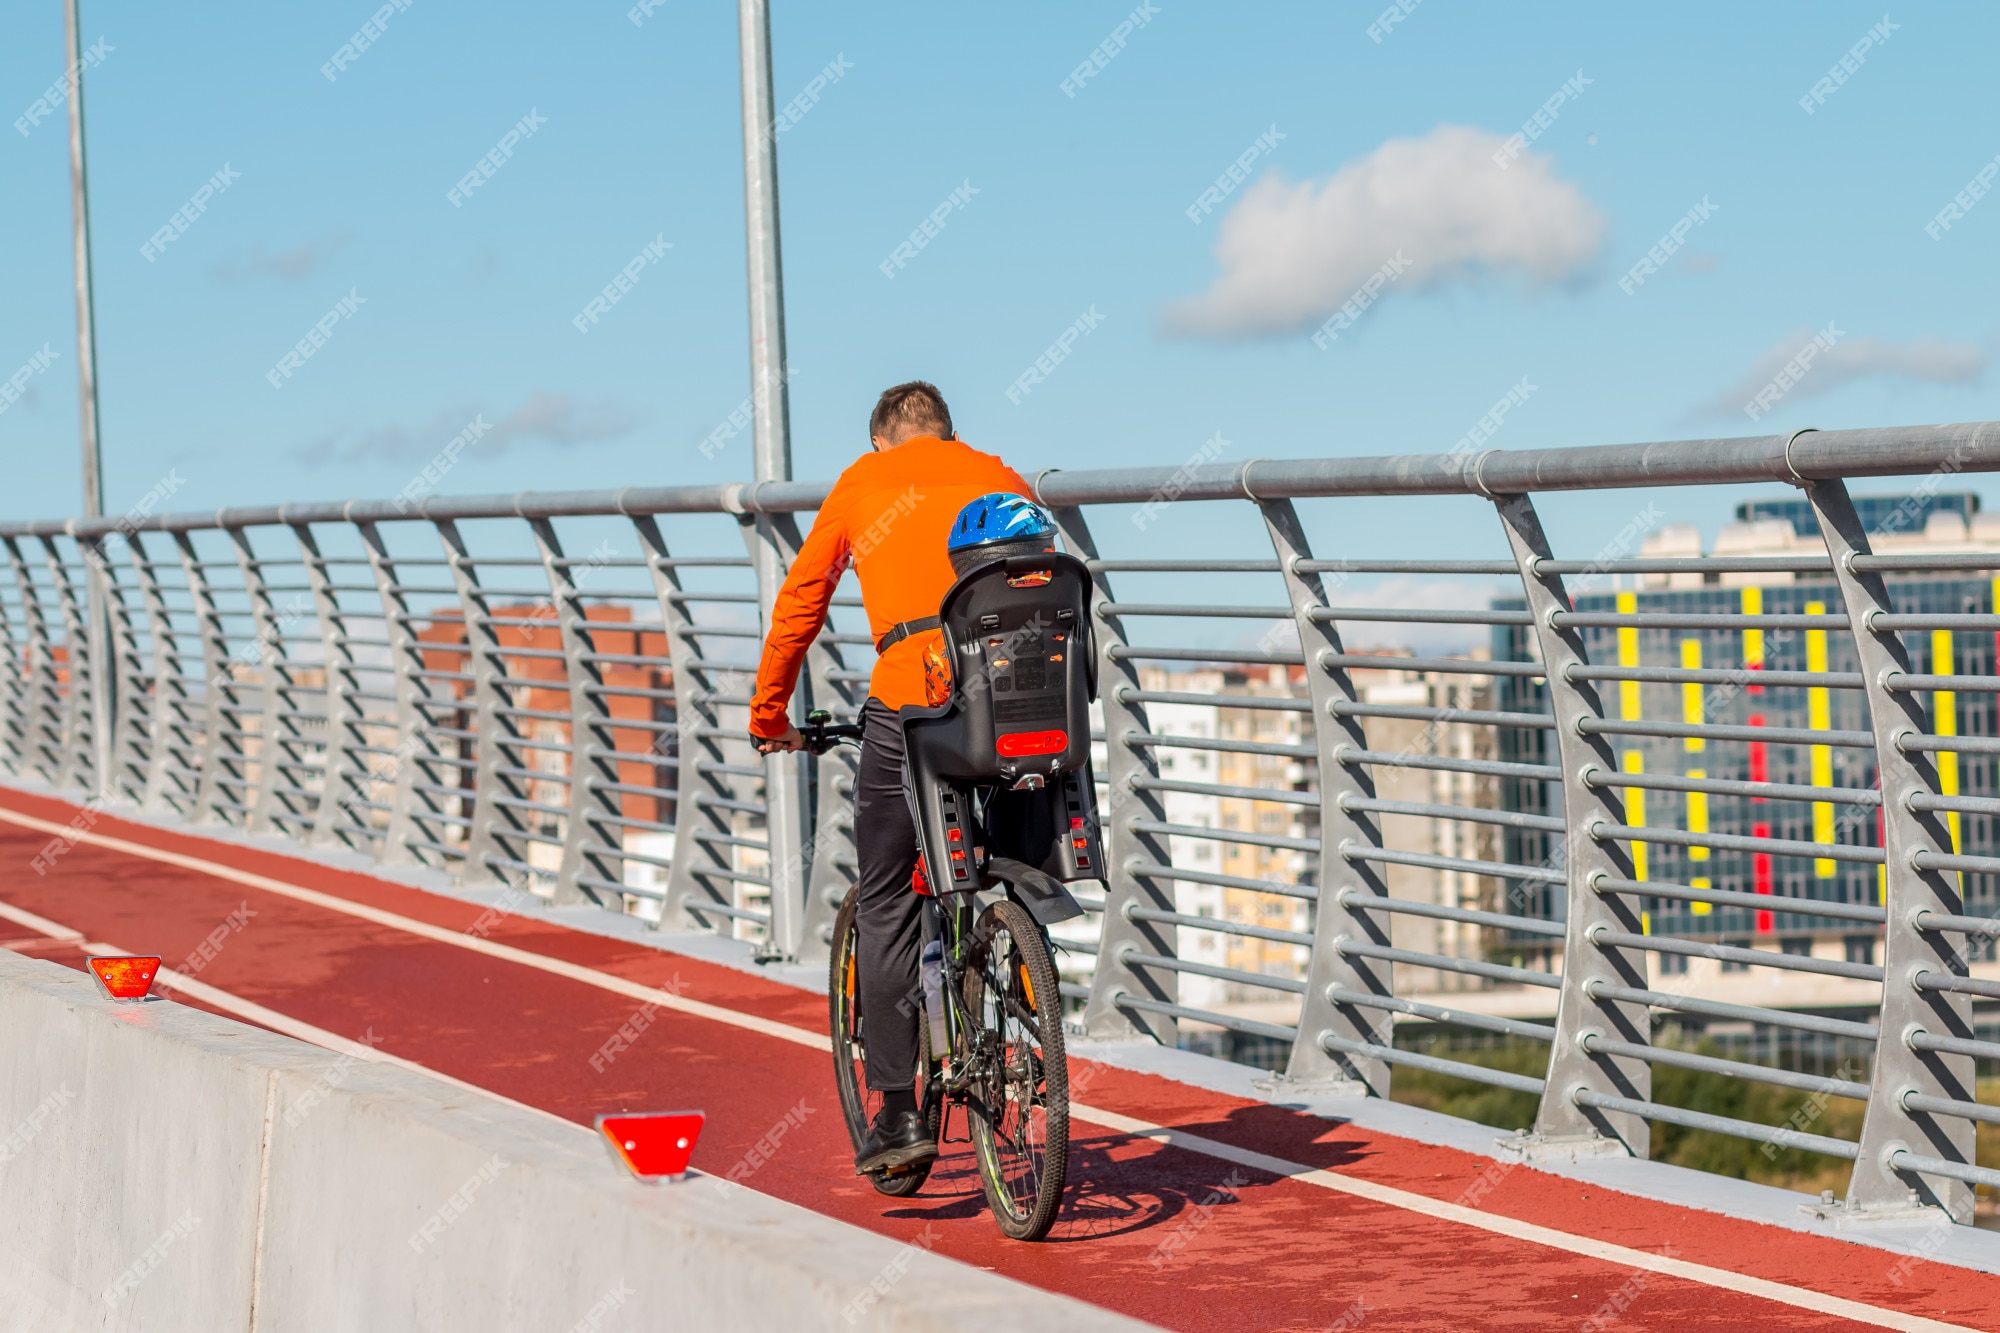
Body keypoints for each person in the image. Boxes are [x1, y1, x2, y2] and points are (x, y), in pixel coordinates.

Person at [749, 381, 1041, 1174]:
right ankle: (1016, 969)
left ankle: (902, 1114)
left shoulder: (863, 481)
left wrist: (769, 713)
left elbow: (802, 599)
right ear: (949, 433)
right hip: (1017, 707)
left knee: (884, 897)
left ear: (882, 440)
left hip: (916, 700)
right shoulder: (998, 472)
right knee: (995, 850)